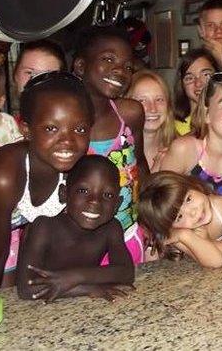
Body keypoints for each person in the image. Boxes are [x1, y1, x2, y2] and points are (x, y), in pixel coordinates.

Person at [0, 71, 94, 291]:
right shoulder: (2, 177)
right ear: (27, 130)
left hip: (6, 238)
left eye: (79, 129)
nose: (67, 141)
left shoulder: (74, 167)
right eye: (51, 128)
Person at [72, 26, 149, 265]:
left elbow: (141, 165)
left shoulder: (131, 114)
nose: (120, 71)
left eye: (128, 67)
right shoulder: (65, 124)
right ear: (81, 66)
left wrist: (150, 219)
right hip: (77, 244)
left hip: (128, 236)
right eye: (108, 59)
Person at [16, 155, 134, 302]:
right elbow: (26, 289)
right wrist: (86, 288)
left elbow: (126, 272)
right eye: (83, 191)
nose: (95, 201)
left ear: (117, 204)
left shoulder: (111, 228)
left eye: (107, 195)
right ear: (64, 193)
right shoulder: (44, 227)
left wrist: (75, 277)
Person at [157, 74, 222, 233]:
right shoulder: (185, 150)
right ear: (206, 114)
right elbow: (160, 206)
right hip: (180, 234)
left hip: (221, 232)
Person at [138, 171, 222, 268]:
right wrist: (185, 235)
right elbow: (215, 261)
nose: (193, 212)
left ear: (192, 186)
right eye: (179, 217)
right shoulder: (179, 233)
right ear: (171, 226)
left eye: (188, 199)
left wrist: (207, 242)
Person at [127, 69, 175, 172]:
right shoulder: (116, 153)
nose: (153, 108)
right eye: (142, 100)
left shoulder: (178, 148)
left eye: (159, 99)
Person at [173, 49, 219, 136]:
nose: (198, 83)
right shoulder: (172, 128)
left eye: (206, 75)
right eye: (189, 78)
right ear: (182, 85)